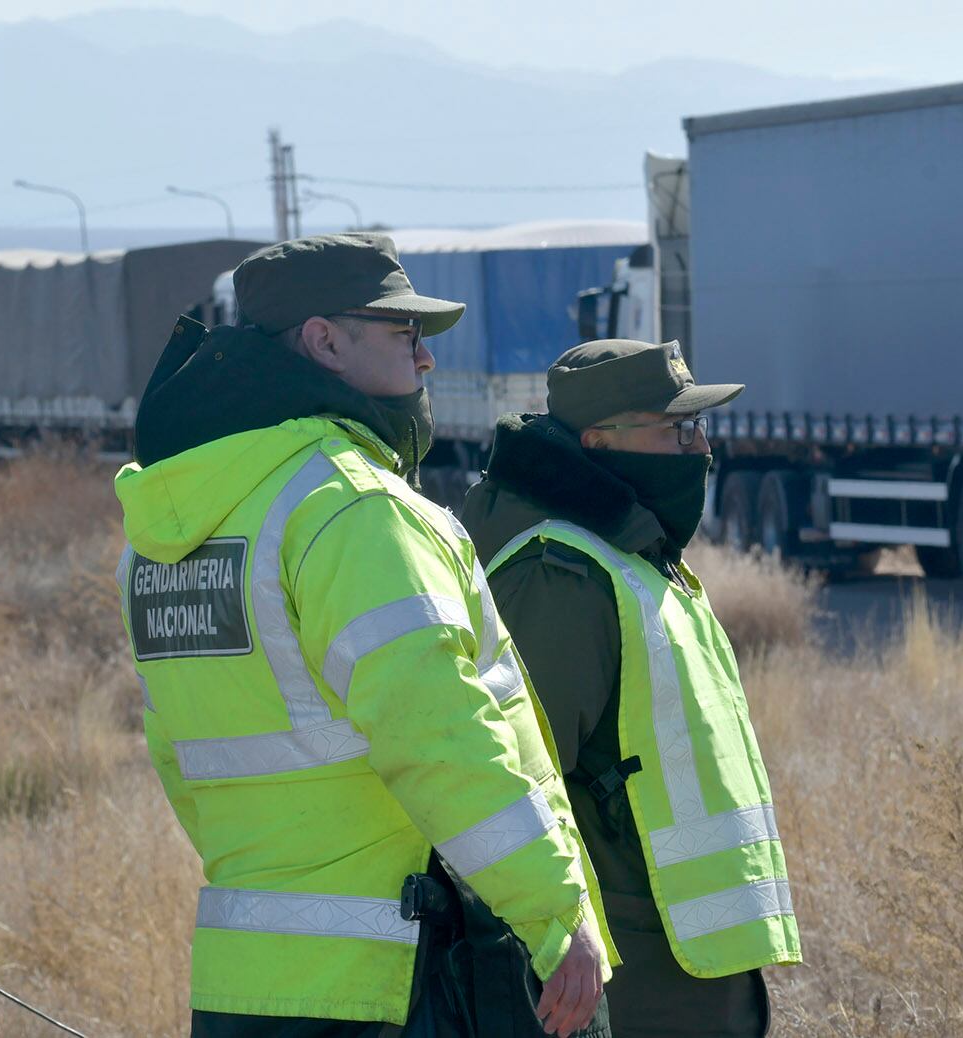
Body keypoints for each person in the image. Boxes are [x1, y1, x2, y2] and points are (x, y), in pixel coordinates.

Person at [114, 233, 614, 1037]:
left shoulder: (168, 534)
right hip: (392, 980)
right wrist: (554, 915)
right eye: (403, 334)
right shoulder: (351, 509)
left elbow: (178, 756)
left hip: (247, 982)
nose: (425, 361)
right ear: (324, 341)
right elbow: (442, 738)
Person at [460, 340, 802, 1037]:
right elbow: (509, 785)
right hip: (629, 976)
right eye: (676, 430)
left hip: (689, 968)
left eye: (699, 426)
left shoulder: (634, 558)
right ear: (598, 442)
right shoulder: (561, 574)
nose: (700, 445)